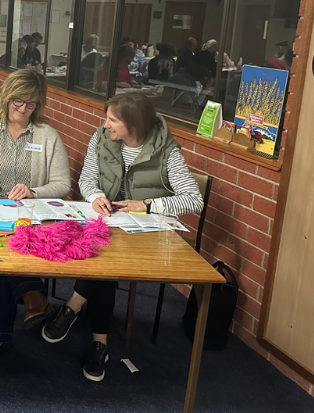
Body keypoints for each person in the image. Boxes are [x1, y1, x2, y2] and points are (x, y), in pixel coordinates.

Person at [40, 92, 203, 381]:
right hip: (107, 222)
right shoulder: (100, 139)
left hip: (147, 233)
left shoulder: (167, 151)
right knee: (101, 255)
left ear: (134, 124)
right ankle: (99, 344)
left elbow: (193, 200)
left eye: (113, 120)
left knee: (104, 261)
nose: (105, 125)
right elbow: (88, 179)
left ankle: (73, 305)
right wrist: (97, 196)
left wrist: (148, 204)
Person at [0, 69, 71, 360]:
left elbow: (63, 184)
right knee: (6, 253)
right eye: (18, 102)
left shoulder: (48, 136)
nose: (23, 109)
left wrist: (34, 192)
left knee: (7, 258)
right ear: (7, 98)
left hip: (33, 215)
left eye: (32, 104)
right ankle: (33, 296)